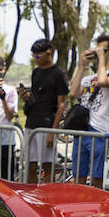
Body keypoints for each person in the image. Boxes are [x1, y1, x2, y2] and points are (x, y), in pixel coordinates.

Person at [69, 35, 109, 186]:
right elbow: (74, 93)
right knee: (78, 175)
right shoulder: (89, 78)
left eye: (104, 50)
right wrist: (81, 66)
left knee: (97, 177)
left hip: (99, 130)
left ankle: (97, 207)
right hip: (82, 129)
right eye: (98, 50)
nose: (99, 53)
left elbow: (102, 82)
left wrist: (101, 59)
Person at [20, 39, 69, 183]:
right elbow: (36, 97)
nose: (35, 59)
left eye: (37, 56)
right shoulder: (35, 72)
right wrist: (26, 98)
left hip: (47, 123)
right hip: (31, 122)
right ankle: (30, 197)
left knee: (48, 166)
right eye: (33, 56)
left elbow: (61, 104)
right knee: (30, 164)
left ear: (48, 53)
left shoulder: (59, 74)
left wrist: (53, 132)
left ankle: (47, 197)